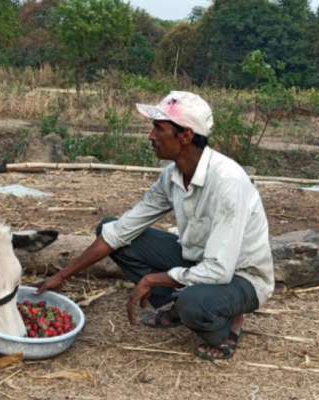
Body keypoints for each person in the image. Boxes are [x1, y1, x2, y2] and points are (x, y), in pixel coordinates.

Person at [36, 91, 274, 360]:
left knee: (193, 304)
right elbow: (121, 231)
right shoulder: (172, 176)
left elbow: (219, 269)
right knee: (111, 229)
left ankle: (229, 326)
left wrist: (153, 278)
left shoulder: (228, 182)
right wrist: (64, 275)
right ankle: (178, 303)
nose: (151, 136)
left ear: (184, 136)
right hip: (197, 260)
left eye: (159, 129)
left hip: (240, 276)